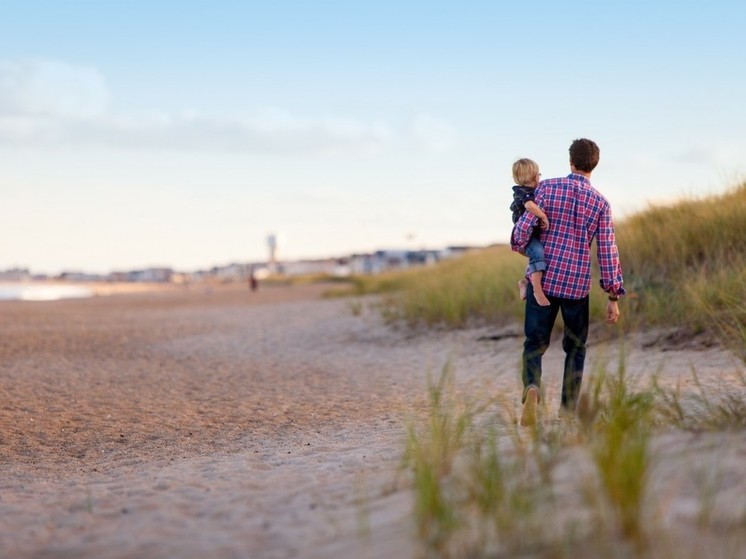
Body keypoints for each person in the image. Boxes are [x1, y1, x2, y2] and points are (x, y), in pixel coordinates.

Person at [511, 138, 625, 426]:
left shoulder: (546, 188)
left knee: (534, 344)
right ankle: (568, 410)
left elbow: (521, 232)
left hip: (545, 280)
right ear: (594, 165)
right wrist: (613, 296)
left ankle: (532, 388)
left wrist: (522, 243)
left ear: (570, 162)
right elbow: (608, 250)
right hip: (576, 285)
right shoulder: (601, 202)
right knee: (576, 347)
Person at [510, 158, 551, 306]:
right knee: (538, 253)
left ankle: (525, 282)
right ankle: (537, 291)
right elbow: (529, 206)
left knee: (537, 257)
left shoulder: (534, 191)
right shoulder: (523, 192)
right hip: (525, 236)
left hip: (533, 234)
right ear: (534, 176)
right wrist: (543, 215)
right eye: (539, 174)